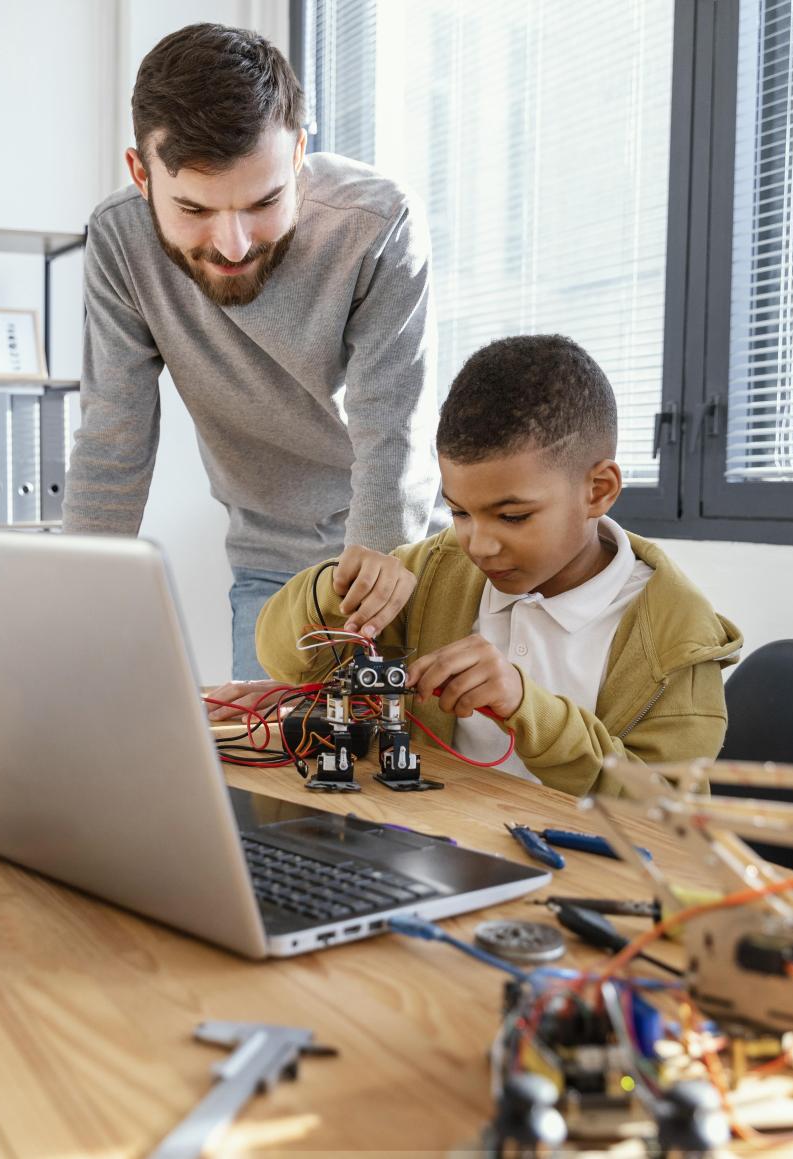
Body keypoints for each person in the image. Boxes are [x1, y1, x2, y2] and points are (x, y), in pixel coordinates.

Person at [62, 23, 440, 679]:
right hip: (270, 557)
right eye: (196, 210)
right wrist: (78, 601)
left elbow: (393, 422)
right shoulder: (120, 243)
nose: (233, 244)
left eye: (263, 202)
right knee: (268, 774)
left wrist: (385, 556)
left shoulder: (378, 227)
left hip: (397, 553)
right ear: (140, 174)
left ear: (297, 153)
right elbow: (111, 438)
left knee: (407, 769)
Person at [211, 334, 742, 797]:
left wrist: (528, 708)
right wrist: (333, 588)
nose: (479, 545)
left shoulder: (679, 639)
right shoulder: (438, 568)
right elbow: (282, 659)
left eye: (512, 516)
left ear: (598, 490)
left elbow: (668, 813)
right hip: (431, 839)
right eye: (459, 511)